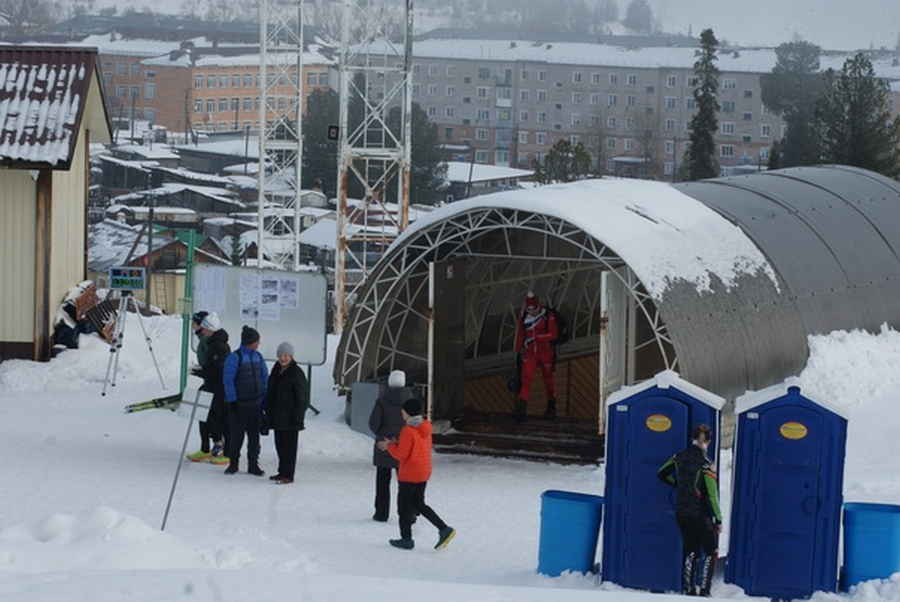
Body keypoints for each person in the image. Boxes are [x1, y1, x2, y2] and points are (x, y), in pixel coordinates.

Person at [377, 398, 455, 551]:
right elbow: (415, 448)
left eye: (403, 410)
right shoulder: (425, 426)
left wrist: (389, 446)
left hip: (410, 473)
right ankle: (444, 529)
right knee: (419, 504)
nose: (401, 412)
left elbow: (401, 455)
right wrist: (396, 443)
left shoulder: (407, 430)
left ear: (407, 412)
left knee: (403, 507)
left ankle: (406, 539)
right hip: (423, 471)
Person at [657, 424, 722, 597]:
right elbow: (712, 495)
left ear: (692, 438)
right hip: (701, 512)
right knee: (710, 550)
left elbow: (662, 473)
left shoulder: (678, 457)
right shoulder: (707, 464)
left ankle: (689, 588)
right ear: (708, 440)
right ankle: (704, 590)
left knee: (690, 548)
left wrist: (678, 484)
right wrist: (718, 518)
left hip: (682, 511)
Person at [222, 326, 269, 476]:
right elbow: (228, 380)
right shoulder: (234, 357)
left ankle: (253, 464)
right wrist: (232, 401)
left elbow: (264, 378)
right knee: (237, 437)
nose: (258, 344)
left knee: (255, 438)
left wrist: (264, 398)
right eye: (257, 341)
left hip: (255, 405)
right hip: (239, 405)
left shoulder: (258, 357)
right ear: (250, 341)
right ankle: (233, 464)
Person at [368, 370, 414, 522]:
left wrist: (384, 435)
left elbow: (373, 424)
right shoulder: (411, 400)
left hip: (384, 445)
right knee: (405, 482)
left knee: (383, 482)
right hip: (405, 445)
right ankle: (408, 513)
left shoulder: (382, 400)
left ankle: (381, 513)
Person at [187, 313, 231, 464]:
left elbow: (217, 370)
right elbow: (211, 366)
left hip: (218, 388)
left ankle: (221, 448)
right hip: (209, 384)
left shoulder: (217, 345)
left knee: (217, 418)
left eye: (198, 325)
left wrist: (199, 371)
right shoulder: (211, 341)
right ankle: (205, 448)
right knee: (202, 414)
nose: (196, 328)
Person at [263, 342, 309, 484]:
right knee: (280, 446)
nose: (283, 358)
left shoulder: (296, 372)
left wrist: (298, 416)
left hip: (291, 419)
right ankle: (282, 471)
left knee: (289, 448)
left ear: (291, 356)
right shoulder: (276, 370)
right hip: (277, 417)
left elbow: (303, 398)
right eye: (281, 355)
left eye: (286, 355)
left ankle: (288, 475)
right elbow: (270, 391)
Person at [513, 292, 559, 421]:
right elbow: (520, 334)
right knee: (526, 379)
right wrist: (518, 351)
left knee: (548, 379)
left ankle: (551, 405)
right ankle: (521, 409)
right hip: (529, 352)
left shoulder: (547, 316)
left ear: (538, 306)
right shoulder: (523, 317)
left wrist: (537, 338)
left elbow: (553, 334)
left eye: (534, 309)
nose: (532, 312)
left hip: (545, 352)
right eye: (529, 309)